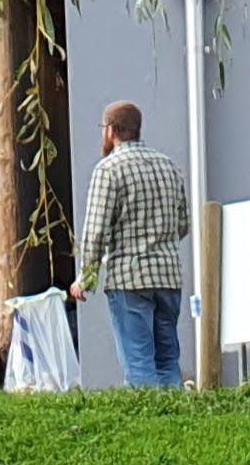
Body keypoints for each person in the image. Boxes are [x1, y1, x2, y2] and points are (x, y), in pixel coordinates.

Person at [76, 100, 190, 389]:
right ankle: (176, 421)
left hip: (129, 279)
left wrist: (86, 278)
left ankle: (149, 426)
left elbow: (95, 231)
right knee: (167, 359)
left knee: (139, 361)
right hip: (168, 277)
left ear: (112, 131)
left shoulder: (108, 169)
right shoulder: (169, 166)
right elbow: (182, 224)